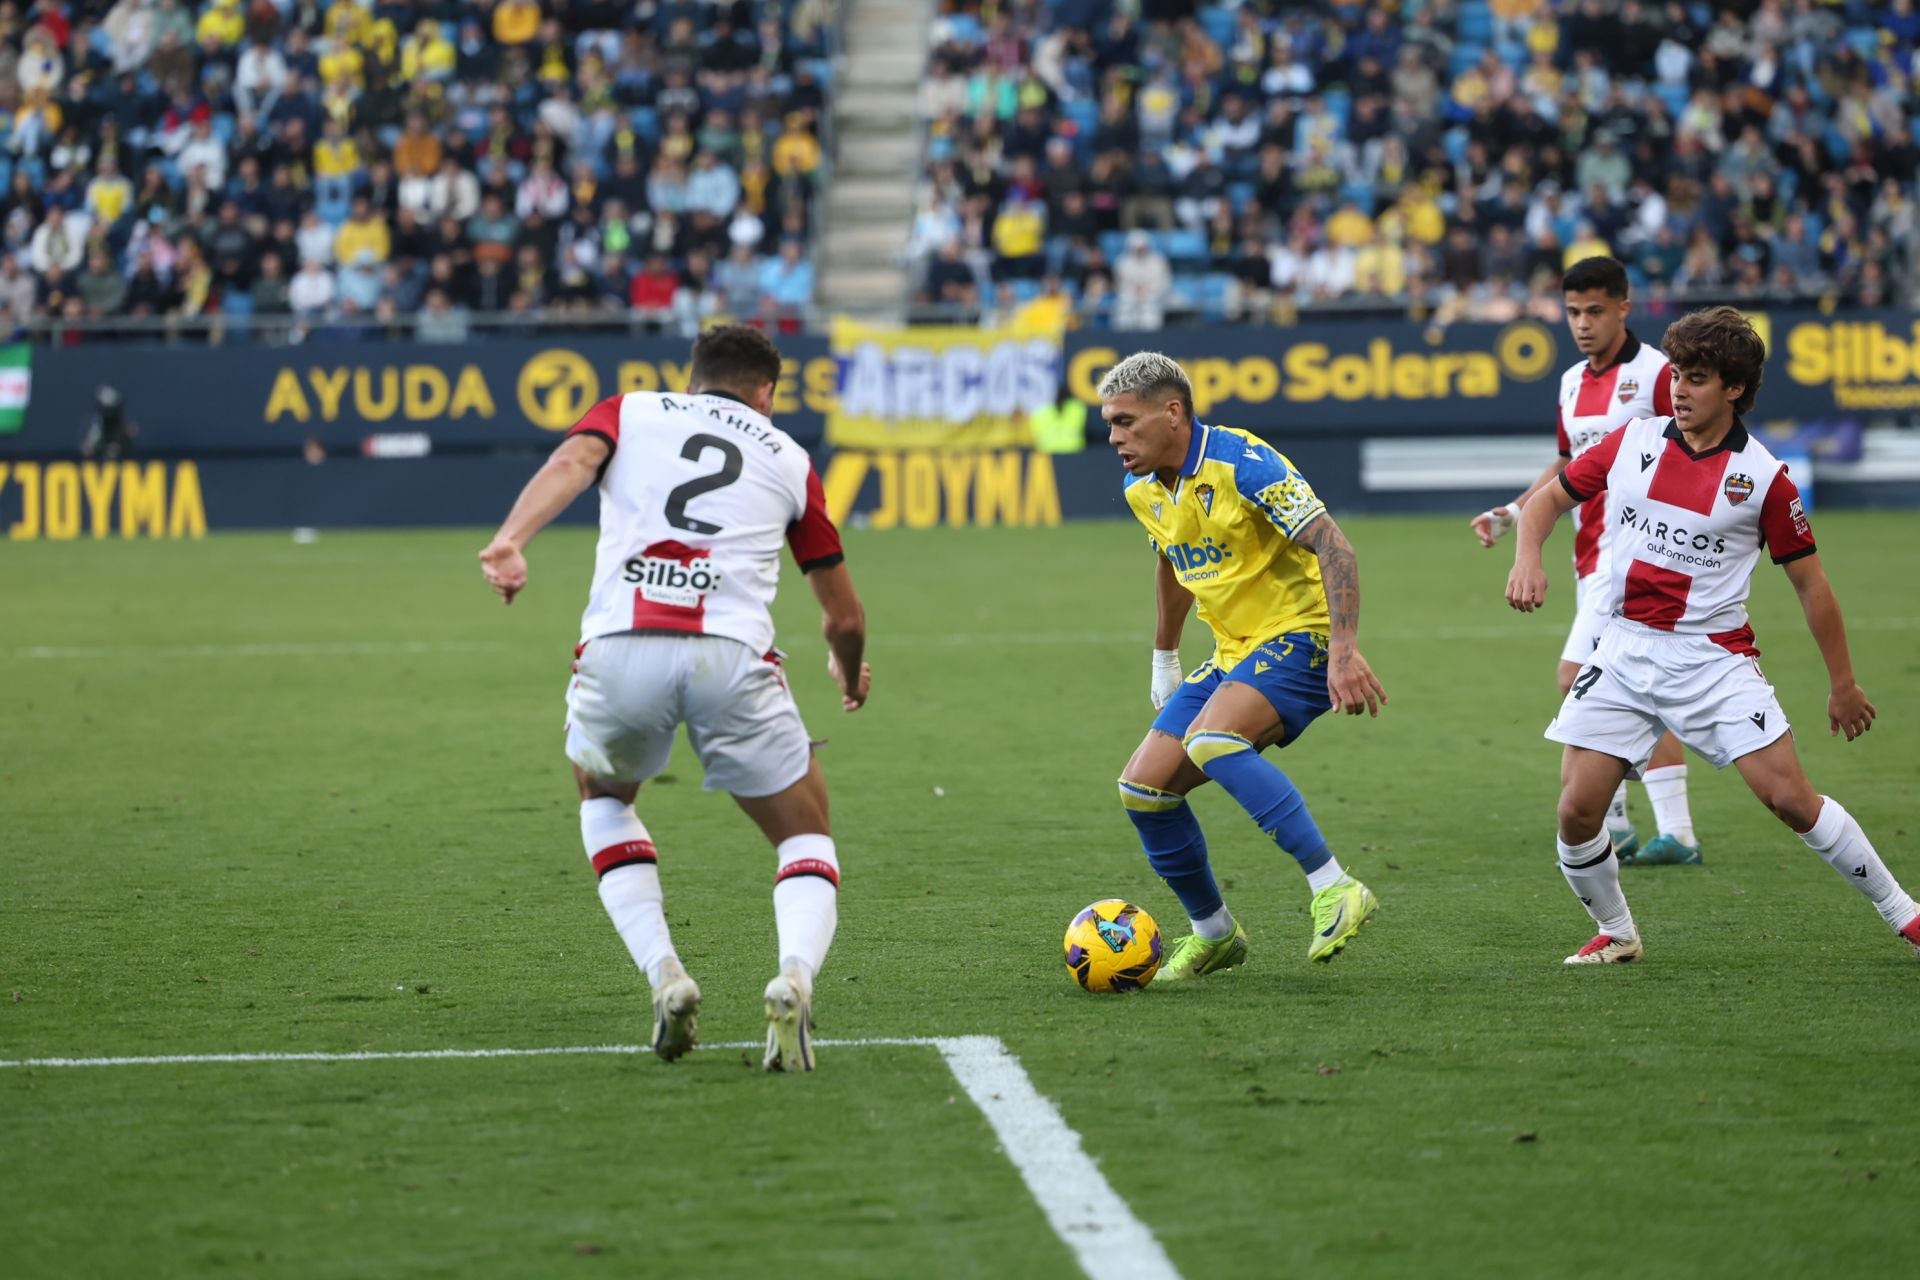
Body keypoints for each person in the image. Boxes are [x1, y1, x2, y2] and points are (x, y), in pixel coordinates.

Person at [477, 326, 872, 1071]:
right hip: (731, 655)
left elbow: (570, 462)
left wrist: (511, 540)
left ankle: (666, 974)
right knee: (804, 834)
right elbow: (844, 618)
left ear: (691, 380)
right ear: (767, 393)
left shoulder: (630, 410)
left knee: (603, 796)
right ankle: (794, 978)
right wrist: (849, 675)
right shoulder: (789, 457)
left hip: (622, 645)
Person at [1505, 307, 1920, 965]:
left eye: (1696, 379)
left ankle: (1906, 915)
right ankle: (1618, 933)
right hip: (1623, 648)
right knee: (1576, 813)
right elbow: (1548, 501)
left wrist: (1843, 684)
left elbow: (1812, 586)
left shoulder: (1764, 479)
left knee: (1791, 801)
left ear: (1734, 388)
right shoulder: (1633, 441)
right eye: (1676, 374)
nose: (1679, 389)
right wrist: (1527, 557)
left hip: (1711, 660)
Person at [1101, 352, 1388, 976]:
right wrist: (1165, 656)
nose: (1115, 438)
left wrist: (1343, 651)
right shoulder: (1140, 488)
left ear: (1172, 413)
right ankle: (1215, 933)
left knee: (1213, 740)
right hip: (1234, 649)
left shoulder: (1243, 462)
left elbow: (1334, 545)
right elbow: (1172, 560)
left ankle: (1335, 887)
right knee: (1143, 790)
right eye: (1110, 425)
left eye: (1126, 422)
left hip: (1303, 634)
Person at [1472, 256, 1702, 865]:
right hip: (1590, 554)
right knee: (1629, 687)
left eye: (1594, 310)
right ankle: (1653, 829)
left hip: (1636, 555)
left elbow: (1694, 447)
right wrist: (1515, 511)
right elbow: (1567, 463)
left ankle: (1637, 826)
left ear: (1624, 307)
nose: (1582, 323)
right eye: (1573, 312)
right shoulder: (1572, 380)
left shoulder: (1657, 373)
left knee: (1579, 677)